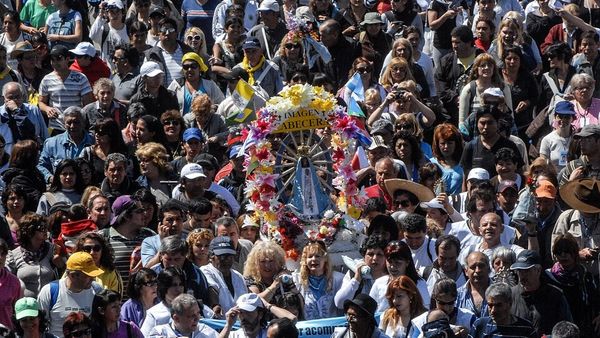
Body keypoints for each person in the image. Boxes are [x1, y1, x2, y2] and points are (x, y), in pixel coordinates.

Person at [37, 251, 103, 337]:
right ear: (72, 275)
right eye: (88, 275)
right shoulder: (50, 291)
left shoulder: (96, 290)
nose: (93, 279)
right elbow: (39, 326)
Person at [545, 234, 600, 336]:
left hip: (583, 331)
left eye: (567, 251)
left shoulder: (586, 277)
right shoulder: (548, 277)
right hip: (556, 331)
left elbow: (596, 301)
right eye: (559, 251)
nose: (563, 255)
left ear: (575, 253)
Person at [510, 250, 573, 336]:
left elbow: (566, 328)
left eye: (527, 271)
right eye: (519, 271)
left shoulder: (555, 295)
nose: (522, 276)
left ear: (538, 270)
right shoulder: (510, 295)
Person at [102, 195, 156, 292]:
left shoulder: (150, 236)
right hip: (112, 303)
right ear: (126, 216)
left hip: (143, 303)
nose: (145, 214)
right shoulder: (103, 238)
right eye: (139, 211)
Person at [38, 45, 93, 136]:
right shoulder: (46, 79)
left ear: (67, 59)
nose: (55, 63)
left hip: (76, 127)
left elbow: (88, 105)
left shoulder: (80, 78)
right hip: (55, 128)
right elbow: (41, 102)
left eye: (59, 59)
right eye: (52, 59)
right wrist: (47, 109)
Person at [436, 26, 481, 125]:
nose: (454, 46)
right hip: (452, 114)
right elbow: (439, 85)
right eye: (453, 42)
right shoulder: (446, 61)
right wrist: (455, 98)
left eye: (457, 42)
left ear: (469, 42)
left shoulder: (482, 59)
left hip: (478, 112)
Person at [460, 106, 522, 178]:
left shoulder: (509, 145)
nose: (486, 127)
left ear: (498, 123)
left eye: (490, 123)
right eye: (482, 123)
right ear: (477, 124)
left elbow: (519, 172)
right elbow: (465, 175)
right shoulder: (471, 146)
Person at [7, 214, 60, 297]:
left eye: (46, 228)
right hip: (25, 306)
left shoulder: (52, 250)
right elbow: (7, 279)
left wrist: (60, 264)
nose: (46, 231)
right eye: (42, 228)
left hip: (49, 303)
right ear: (30, 231)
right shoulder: (14, 255)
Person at [370, 241, 430, 312]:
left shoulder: (419, 284)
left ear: (407, 262)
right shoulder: (379, 283)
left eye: (397, 263)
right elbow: (369, 309)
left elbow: (425, 312)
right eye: (389, 262)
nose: (392, 267)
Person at [292, 240, 344, 320]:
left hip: (334, 330)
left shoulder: (338, 279)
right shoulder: (297, 280)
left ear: (325, 258)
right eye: (310, 256)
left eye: (317, 256)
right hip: (308, 330)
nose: (313, 259)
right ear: (305, 260)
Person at [411, 278, 476, 337]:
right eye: (442, 303)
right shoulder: (420, 321)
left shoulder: (469, 318)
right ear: (435, 298)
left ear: (456, 299)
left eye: (450, 303)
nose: (446, 308)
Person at [201, 236, 248, 316]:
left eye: (230, 256)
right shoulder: (205, 271)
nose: (226, 260)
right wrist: (215, 305)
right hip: (218, 326)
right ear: (211, 256)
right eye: (222, 257)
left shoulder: (238, 276)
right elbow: (212, 288)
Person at [469, 283, 537, 337]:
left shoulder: (526, 329)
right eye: (490, 305)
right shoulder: (480, 326)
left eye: (498, 305)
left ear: (509, 304)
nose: (493, 310)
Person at [219, 292, 297, 338]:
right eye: (241, 312)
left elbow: (292, 319)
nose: (243, 317)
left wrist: (267, 305)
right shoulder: (233, 335)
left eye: (248, 312)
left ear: (260, 314)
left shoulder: (270, 333)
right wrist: (228, 326)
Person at [0, 82, 48, 154]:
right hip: (6, 161)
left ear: (22, 96)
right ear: (4, 98)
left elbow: (44, 136)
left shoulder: (33, 110)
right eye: (10, 98)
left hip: (30, 158)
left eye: (17, 97)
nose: (14, 100)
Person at [144, 18, 193, 86]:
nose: (167, 33)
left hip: (184, 94)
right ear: (159, 34)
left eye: (170, 30)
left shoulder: (188, 51)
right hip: (161, 95)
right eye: (164, 30)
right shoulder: (150, 55)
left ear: (176, 33)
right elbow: (144, 78)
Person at [148, 293, 218, 337]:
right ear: (176, 318)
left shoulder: (206, 332)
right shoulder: (160, 333)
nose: (197, 318)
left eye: (198, 313)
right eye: (192, 315)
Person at [90, 0, 129, 68]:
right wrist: (100, 14)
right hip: (108, 72)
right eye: (111, 12)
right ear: (107, 13)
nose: (115, 15)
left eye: (117, 11)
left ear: (122, 12)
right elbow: (92, 35)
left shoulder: (128, 29)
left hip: (125, 70)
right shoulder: (104, 29)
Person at [540, 101, 575, 172]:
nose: (563, 120)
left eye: (567, 117)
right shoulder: (547, 140)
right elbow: (543, 165)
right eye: (560, 116)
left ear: (572, 119)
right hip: (555, 178)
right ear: (555, 117)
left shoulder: (577, 138)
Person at [456, 251, 491, 319]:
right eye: (473, 267)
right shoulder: (457, 295)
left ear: (489, 269)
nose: (477, 270)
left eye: (481, 266)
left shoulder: (500, 293)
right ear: (466, 271)